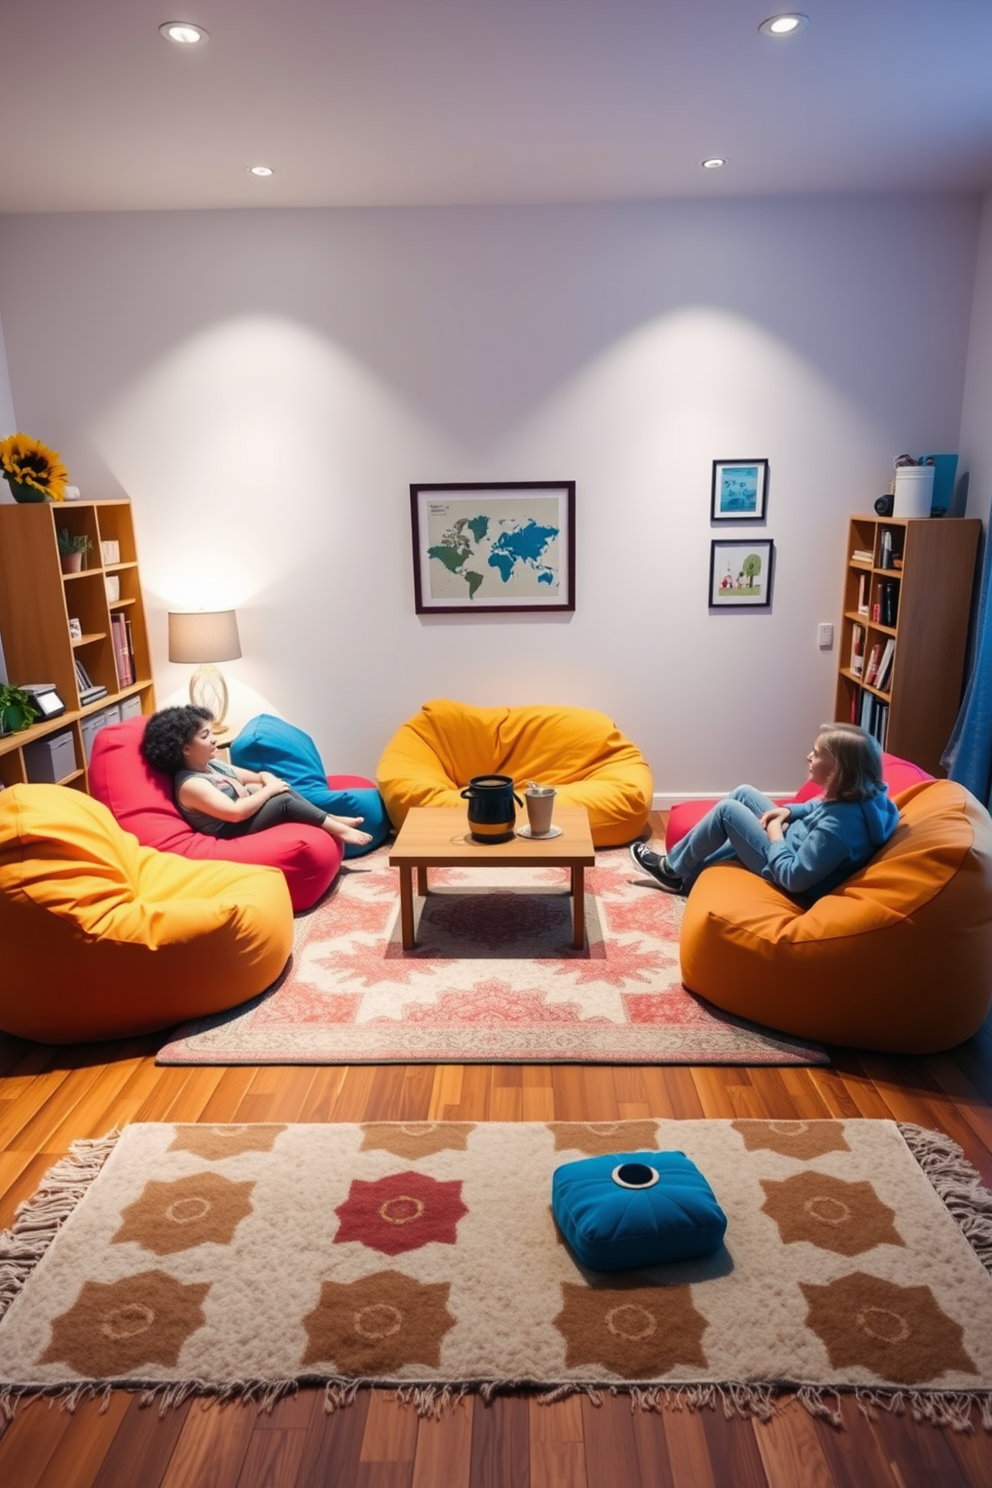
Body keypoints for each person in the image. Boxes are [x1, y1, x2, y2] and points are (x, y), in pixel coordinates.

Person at [630, 724, 899, 902]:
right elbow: (816, 806)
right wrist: (786, 813)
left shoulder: (838, 829)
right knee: (744, 793)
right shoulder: (863, 795)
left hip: (783, 869)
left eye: (816, 754)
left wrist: (773, 835)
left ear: (839, 770)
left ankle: (672, 869)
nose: (808, 756)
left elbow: (795, 878)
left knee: (727, 812)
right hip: (790, 841)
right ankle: (687, 875)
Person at [140, 706, 372, 847]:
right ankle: (337, 828)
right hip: (228, 831)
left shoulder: (213, 765)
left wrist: (266, 779)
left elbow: (254, 776)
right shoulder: (191, 784)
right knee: (281, 800)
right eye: (205, 735)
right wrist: (269, 789)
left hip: (241, 817)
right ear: (185, 748)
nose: (214, 740)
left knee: (277, 788)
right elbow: (234, 813)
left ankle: (329, 817)